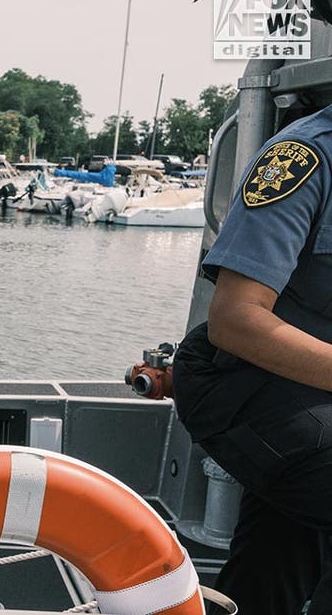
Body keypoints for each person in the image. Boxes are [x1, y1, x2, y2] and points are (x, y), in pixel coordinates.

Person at [172, 108, 332, 614]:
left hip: (319, 394)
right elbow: (236, 320)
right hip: (240, 376)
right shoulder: (303, 157)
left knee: (281, 545)